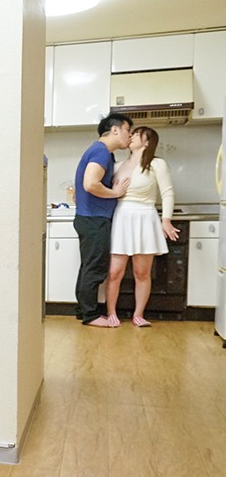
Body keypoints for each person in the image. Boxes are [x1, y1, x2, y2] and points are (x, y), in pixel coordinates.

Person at [104, 126, 180, 328]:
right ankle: (111, 313)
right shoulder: (118, 165)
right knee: (114, 272)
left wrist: (166, 220)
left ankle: (138, 315)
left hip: (146, 217)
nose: (132, 136)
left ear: (147, 142)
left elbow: (167, 193)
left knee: (141, 273)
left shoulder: (157, 164)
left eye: (137, 134)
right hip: (121, 217)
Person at [73, 112, 133, 327]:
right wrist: (115, 193)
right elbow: (91, 184)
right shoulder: (101, 151)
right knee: (95, 268)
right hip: (94, 219)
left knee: (88, 267)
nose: (130, 135)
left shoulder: (100, 152)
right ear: (115, 129)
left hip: (89, 218)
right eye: (128, 130)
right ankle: (90, 315)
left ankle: (83, 310)